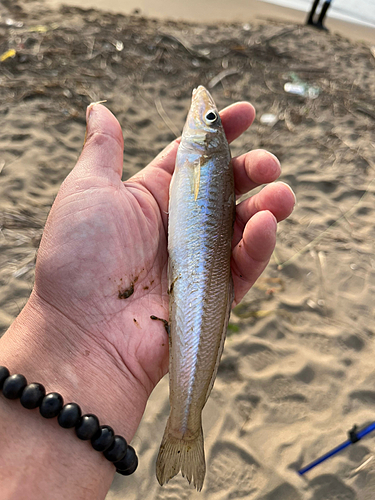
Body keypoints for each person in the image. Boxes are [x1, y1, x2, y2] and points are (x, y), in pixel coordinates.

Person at [0, 102, 295, 499]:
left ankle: (185, 425)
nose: (202, 110)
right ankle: (185, 423)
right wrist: (66, 322)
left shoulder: (203, 159)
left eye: (208, 119)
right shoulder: (199, 160)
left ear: (208, 147)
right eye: (212, 119)